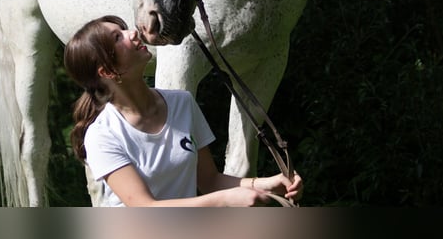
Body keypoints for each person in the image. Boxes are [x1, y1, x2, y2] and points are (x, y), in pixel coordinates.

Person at [63, 14, 303, 207]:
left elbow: (211, 180)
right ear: (107, 71)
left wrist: (266, 184)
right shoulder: (102, 136)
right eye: (118, 37)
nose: (133, 32)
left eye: (124, 28)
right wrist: (224, 201)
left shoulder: (182, 103)